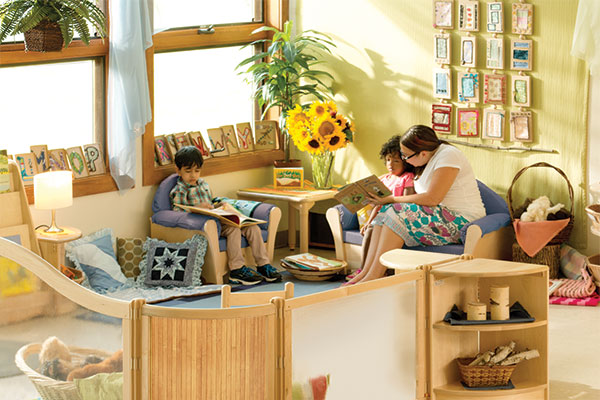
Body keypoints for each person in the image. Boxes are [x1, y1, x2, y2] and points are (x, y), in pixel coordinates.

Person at [345, 125, 485, 285]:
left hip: (461, 220)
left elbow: (433, 199)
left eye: (405, 156)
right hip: (440, 215)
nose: (404, 160)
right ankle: (365, 273)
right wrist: (387, 201)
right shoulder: (426, 161)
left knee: (396, 211)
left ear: (423, 153)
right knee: (386, 210)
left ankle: (373, 277)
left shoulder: (449, 155)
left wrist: (391, 199)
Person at [169, 146, 281, 285]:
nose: (193, 175)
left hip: (219, 218)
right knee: (234, 230)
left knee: (253, 228)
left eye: (197, 171)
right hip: (204, 225)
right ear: (178, 170)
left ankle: (263, 265)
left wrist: (220, 206)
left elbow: (210, 203)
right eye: (188, 171)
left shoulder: (203, 185)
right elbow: (177, 212)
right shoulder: (180, 190)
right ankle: (237, 270)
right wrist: (196, 208)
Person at [345, 135, 416, 281]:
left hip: (396, 218)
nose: (391, 164)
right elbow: (377, 205)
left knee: (375, 230)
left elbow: (406, 203)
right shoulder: (383, 179)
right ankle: (364, 269)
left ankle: (377, 271)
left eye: (396, 161)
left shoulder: (407, 178)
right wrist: (368, 222)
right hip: (379, 218)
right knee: (369, 231)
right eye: (388, 160)